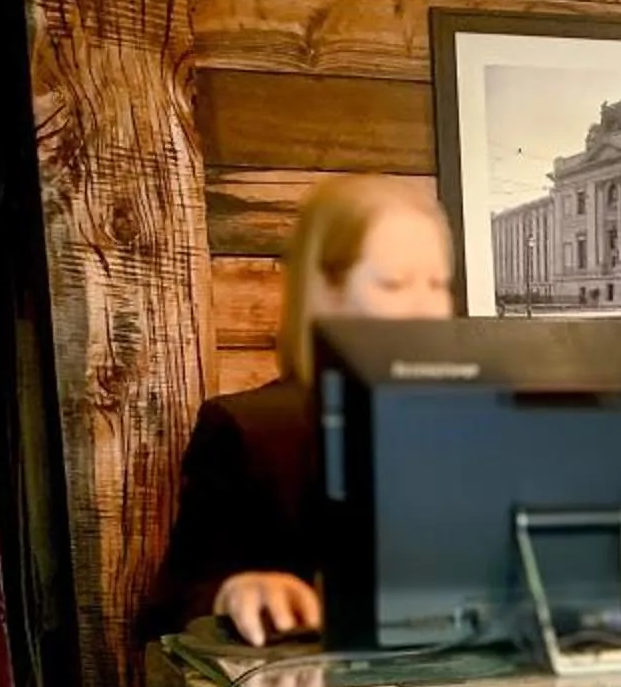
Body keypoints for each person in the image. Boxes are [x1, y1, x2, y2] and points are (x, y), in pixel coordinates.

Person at [145, 174, 454, 644]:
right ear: (326, 290)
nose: (425, 309)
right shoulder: (252, 429)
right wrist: (234, 593)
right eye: (393, 284)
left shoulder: (467, 427)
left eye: (438, 284)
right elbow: (167, 611)